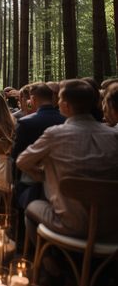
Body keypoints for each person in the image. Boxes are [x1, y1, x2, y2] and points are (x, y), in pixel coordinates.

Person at [17, 79, 118, 240]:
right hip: (110, 228)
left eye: (60, 99)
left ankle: (46, 260)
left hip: (70, 223)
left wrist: (44, 176)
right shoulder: (113, 136)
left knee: (31, 206)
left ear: (66, 106)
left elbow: (22, 161)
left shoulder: (56, 134)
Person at [11, 83, 65, 209]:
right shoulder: (65, 120)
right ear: (53, 98)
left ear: (33, 99)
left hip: (31, 182)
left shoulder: (26, 123)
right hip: (61, 184)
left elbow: (16, 155)